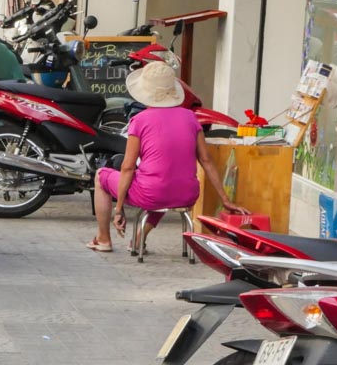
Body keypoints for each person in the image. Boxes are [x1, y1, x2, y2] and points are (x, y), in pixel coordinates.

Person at [89, 61, 249, 253]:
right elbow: (206, 160)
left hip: (153, 193)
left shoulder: (139, 120)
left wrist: (119, 208)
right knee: (167, 182)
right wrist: (225, 199)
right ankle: (139, 238)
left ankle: (104, 238)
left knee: (101, 176)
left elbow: (128, 167)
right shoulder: (190, 117)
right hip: (187, 194)